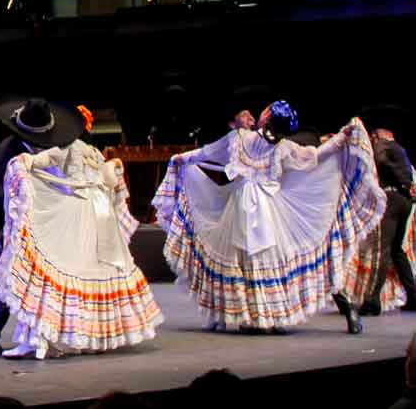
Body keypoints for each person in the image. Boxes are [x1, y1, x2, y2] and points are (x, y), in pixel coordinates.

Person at [153, 101, 382, 334]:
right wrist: (341, 139)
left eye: (265, 110)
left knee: (245, 260)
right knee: (267, 258)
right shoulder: (282, 147)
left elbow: (208, 152)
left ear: (267, 118)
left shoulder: (241, 138)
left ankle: (255, 316)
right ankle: (269, 316)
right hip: (267, 208)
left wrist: (182, 158)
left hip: (243, 206)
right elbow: (315, 155)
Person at [0, 97, 162, 359]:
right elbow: (107, 178)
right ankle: (91, 337)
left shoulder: (65, 149)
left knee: (56, 271)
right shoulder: (93, 152)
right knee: (93, 272)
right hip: (100, 215)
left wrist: (22, 163)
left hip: (77, 213)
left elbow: (38, 162)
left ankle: (38, 340)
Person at [0, 97, 81, 355]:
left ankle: (44, 334)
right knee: (11, 273)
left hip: (16, 220)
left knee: (31, 274)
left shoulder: (40, 150)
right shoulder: (11, 153)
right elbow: (1, 195)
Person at [363, 125, 416, 315]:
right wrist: (405, 184)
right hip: (405, 201)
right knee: (396, 250)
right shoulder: (400, 150)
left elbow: (381, 159)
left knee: (382, 250)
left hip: (392, 199)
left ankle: (372, 301)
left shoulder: (383, 144)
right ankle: (413, 295)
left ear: (377, 137)